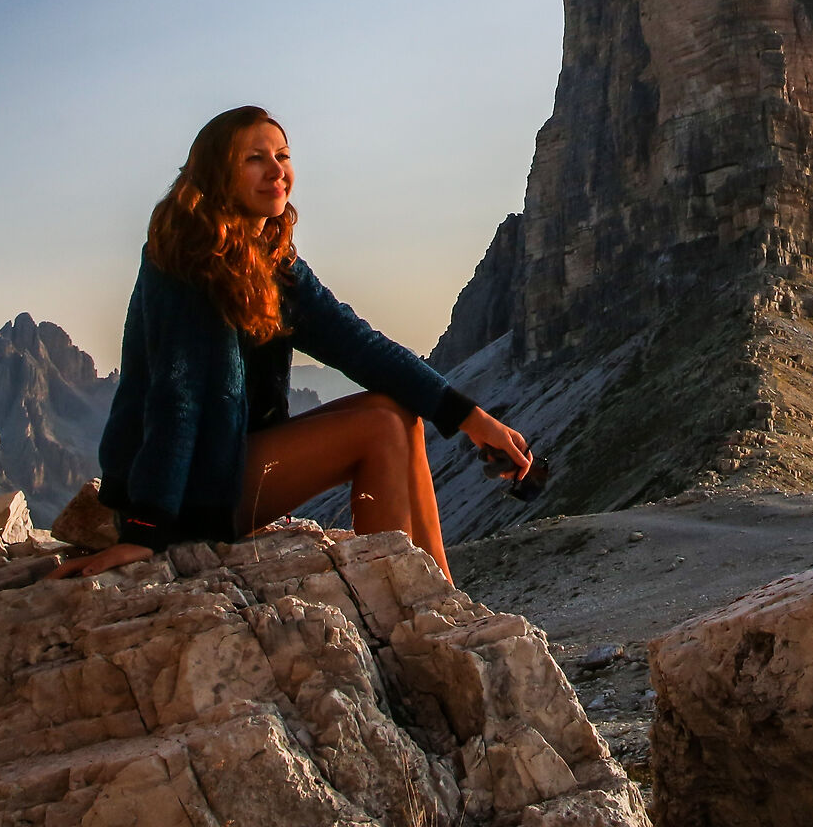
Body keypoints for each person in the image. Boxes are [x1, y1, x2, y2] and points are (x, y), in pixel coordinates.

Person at [51, 105, 531, 581]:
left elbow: (359, 345)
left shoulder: (272, 259)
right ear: (218, 174)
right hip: (187, 496)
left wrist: (472, 419)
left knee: (396, 410)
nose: (276, 171)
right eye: (254, 159)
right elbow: (177, 394)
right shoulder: (185, 256)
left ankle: (436, 590)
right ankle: (396, 587)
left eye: (282, 155)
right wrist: (145, 529)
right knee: (379, 429)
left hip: (228, 467)